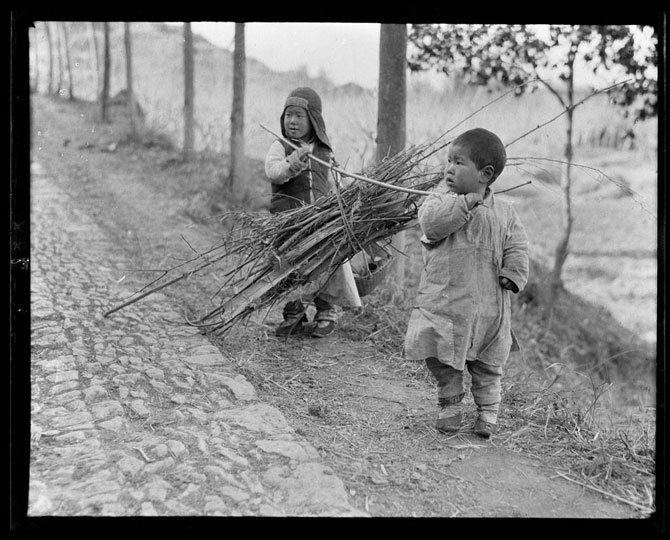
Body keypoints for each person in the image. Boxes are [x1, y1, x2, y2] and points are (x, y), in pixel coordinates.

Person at [403, 128, 529, 438]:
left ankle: (488, 412)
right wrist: (464, 204)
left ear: (485, 174)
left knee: (488, 364)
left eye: (459, 163)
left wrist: (513, 272)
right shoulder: (438, 200)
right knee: (442, 357)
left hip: (488, 306)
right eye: (448, 160)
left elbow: (518, 245)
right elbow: (431, 227)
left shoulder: (504, 211)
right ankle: (451, 406)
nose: (448, 168)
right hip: (446, 303)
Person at [264, 87, 362, 338]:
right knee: (289, 266)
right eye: (288, 115)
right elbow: (273, 172)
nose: (292, 121)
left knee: (324, 265)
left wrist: (350, 191)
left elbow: (334, 185)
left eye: (299, 116)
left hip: (319, 223)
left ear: (314, 120)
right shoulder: (280, 146)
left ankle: (326, 312)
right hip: (289, 222)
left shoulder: (324, 152)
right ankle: (294, 314)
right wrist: (291, 164)